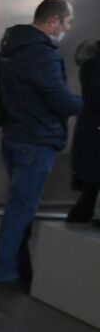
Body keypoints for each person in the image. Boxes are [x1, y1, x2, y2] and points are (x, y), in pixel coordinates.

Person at [0, 0, 83, 288]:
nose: (67, 29)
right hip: (36, 141)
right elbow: (59, 100)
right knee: (21, 211)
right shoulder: (41, 54)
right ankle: (5, 271)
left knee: (19, 208)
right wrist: (88, 103)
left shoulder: (13, 45)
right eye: (67, 22)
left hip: (16, 136)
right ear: (53, 20)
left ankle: (17, 266)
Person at [67, 40, 100, 224]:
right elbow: (96, 96)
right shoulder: (93, 63)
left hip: (92, 135)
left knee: (89, 196)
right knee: (89, 193)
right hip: (94, 137)